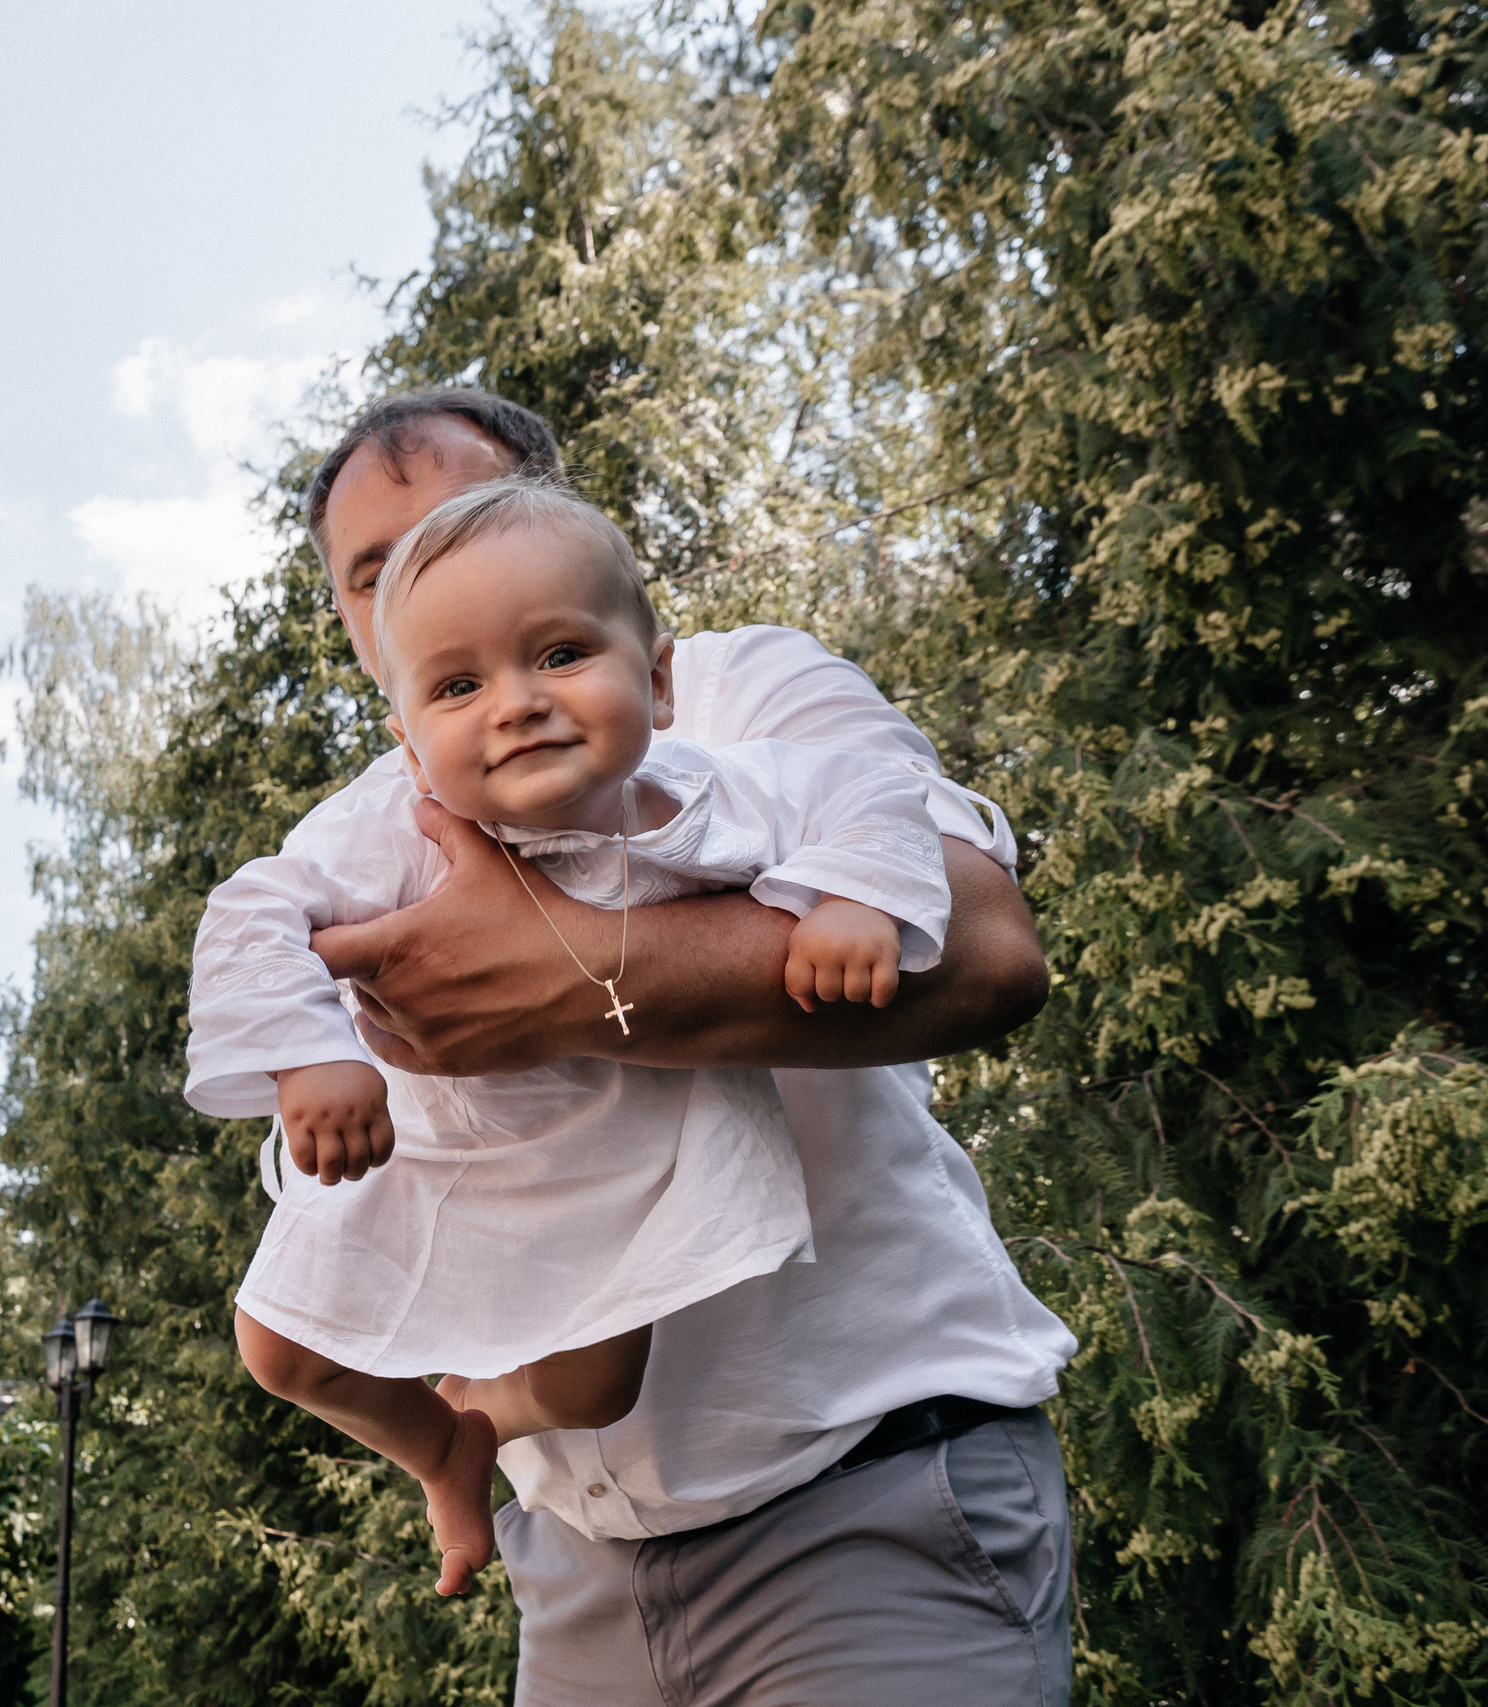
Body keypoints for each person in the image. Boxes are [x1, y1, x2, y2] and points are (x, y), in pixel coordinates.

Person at [295, 389, 1079, 1707]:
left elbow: (993, 947)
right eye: (378, 569)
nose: (435, 570)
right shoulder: (364, 843)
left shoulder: (735, 689)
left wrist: (564, 976)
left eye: (470, 518)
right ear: (353, 626)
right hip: (579, 1565)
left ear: (564, 518)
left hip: (862, 1493)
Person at [185, 477, 954, 1595]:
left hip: (608, 1146)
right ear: (406, 740)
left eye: (556, 655)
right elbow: (255, 911)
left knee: (593, 1384)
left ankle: (480, 1421)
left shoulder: (703, 793)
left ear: (654, 678)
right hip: (432, 1147)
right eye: (458, 683)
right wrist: (312, 1055)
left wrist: (848, 898)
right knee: (279, 1348)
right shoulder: (390, 824)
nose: (514, 703)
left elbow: (863, 796)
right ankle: (436, 1450)